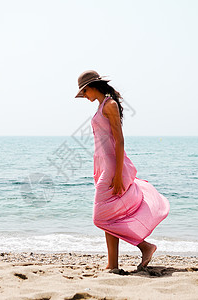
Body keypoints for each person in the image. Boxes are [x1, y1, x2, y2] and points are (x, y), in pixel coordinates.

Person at [75, 70, 170, 271]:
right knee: (110, 216)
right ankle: (113, 265)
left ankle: (145, 246)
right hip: (102, 166)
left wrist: (118, 175)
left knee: (99, 217)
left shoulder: (109, 105)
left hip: (111, 167)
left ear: (92, 87)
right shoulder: (102, 105)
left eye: (84, 92)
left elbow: (119, 140)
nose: (84, 96)